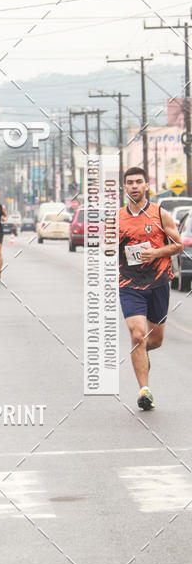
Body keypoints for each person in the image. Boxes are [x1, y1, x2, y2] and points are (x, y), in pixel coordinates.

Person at [119, 167, 182, 410]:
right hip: (129, 283)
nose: (134, 186)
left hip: (158, 283)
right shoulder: (117, 217)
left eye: (138, 182)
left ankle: (143, 354)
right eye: (129, 183)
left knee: (154, 340)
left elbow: (177, 244)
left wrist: (156, 252)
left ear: (147, 185)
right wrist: (106, 247)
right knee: (137, 335)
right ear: (125, 187)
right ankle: (144, 390)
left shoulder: (160, 214)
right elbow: (107, 244)